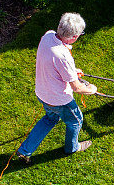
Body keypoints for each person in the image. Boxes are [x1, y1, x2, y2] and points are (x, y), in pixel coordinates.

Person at [15, 13, 97, 163]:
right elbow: (77, 87)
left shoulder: (48, 36)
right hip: (60, 100)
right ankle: (72, 148)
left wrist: (72, 71)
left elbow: (54, 64)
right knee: (76, 120)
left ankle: (25, 151)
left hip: (42, 93)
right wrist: (91, 89)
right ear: (74, 37)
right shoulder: (63, 56)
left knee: (50, 118)